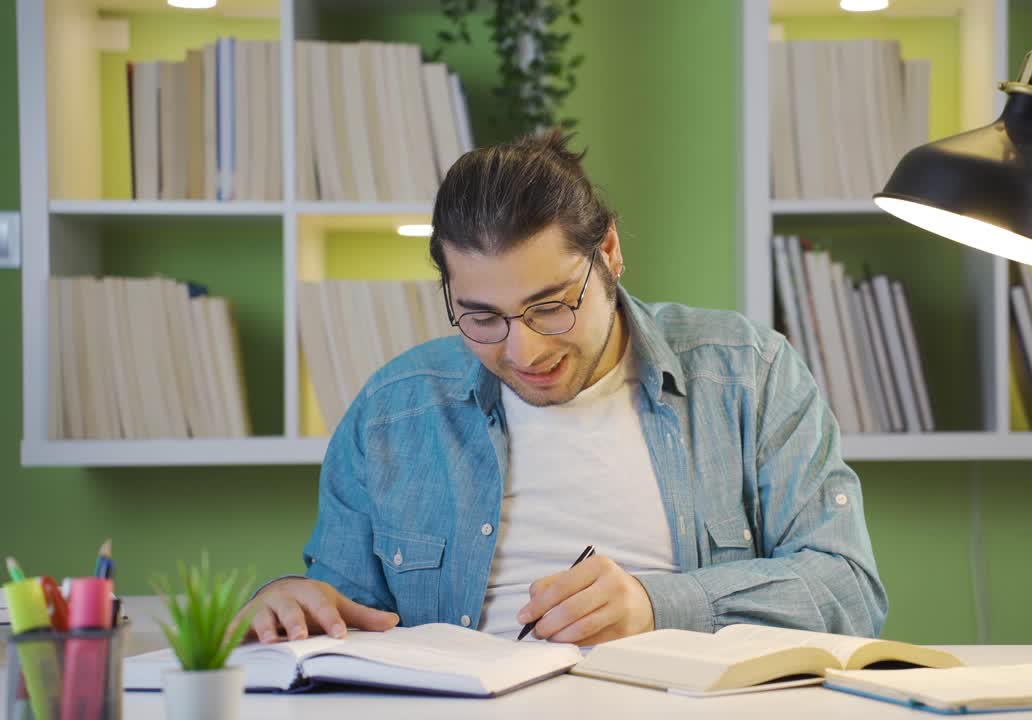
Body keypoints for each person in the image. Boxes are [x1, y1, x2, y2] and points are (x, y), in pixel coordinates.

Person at [245, 130, 887, 647]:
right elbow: (341, 619)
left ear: (607, 252)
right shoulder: (393, 410)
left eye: (551, 306)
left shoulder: (749, 372)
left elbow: (849, 589)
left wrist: (656, 605)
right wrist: (297, 608)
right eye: (483, 317)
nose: (524, 351)